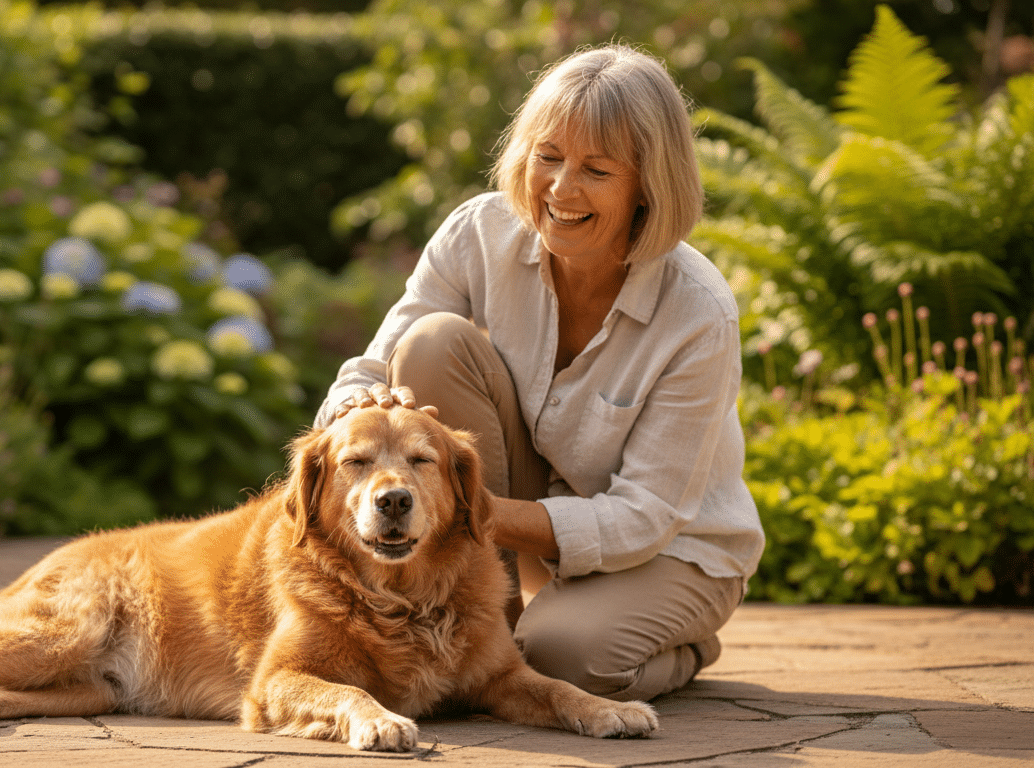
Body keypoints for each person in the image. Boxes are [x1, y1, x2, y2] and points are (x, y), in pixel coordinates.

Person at [313, 43, 765, 702]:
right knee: (430, 342)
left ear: (649, 183)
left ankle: (684, 646)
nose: (560, 188)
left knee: (562, 660)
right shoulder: (479, 232)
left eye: (596, 170)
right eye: (547, 157)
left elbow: (646, 516)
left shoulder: (699, 313)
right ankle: (496, 627)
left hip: (675, 548)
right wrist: (357, 407)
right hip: (529, 515)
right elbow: (374, 362)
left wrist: (464, 510)